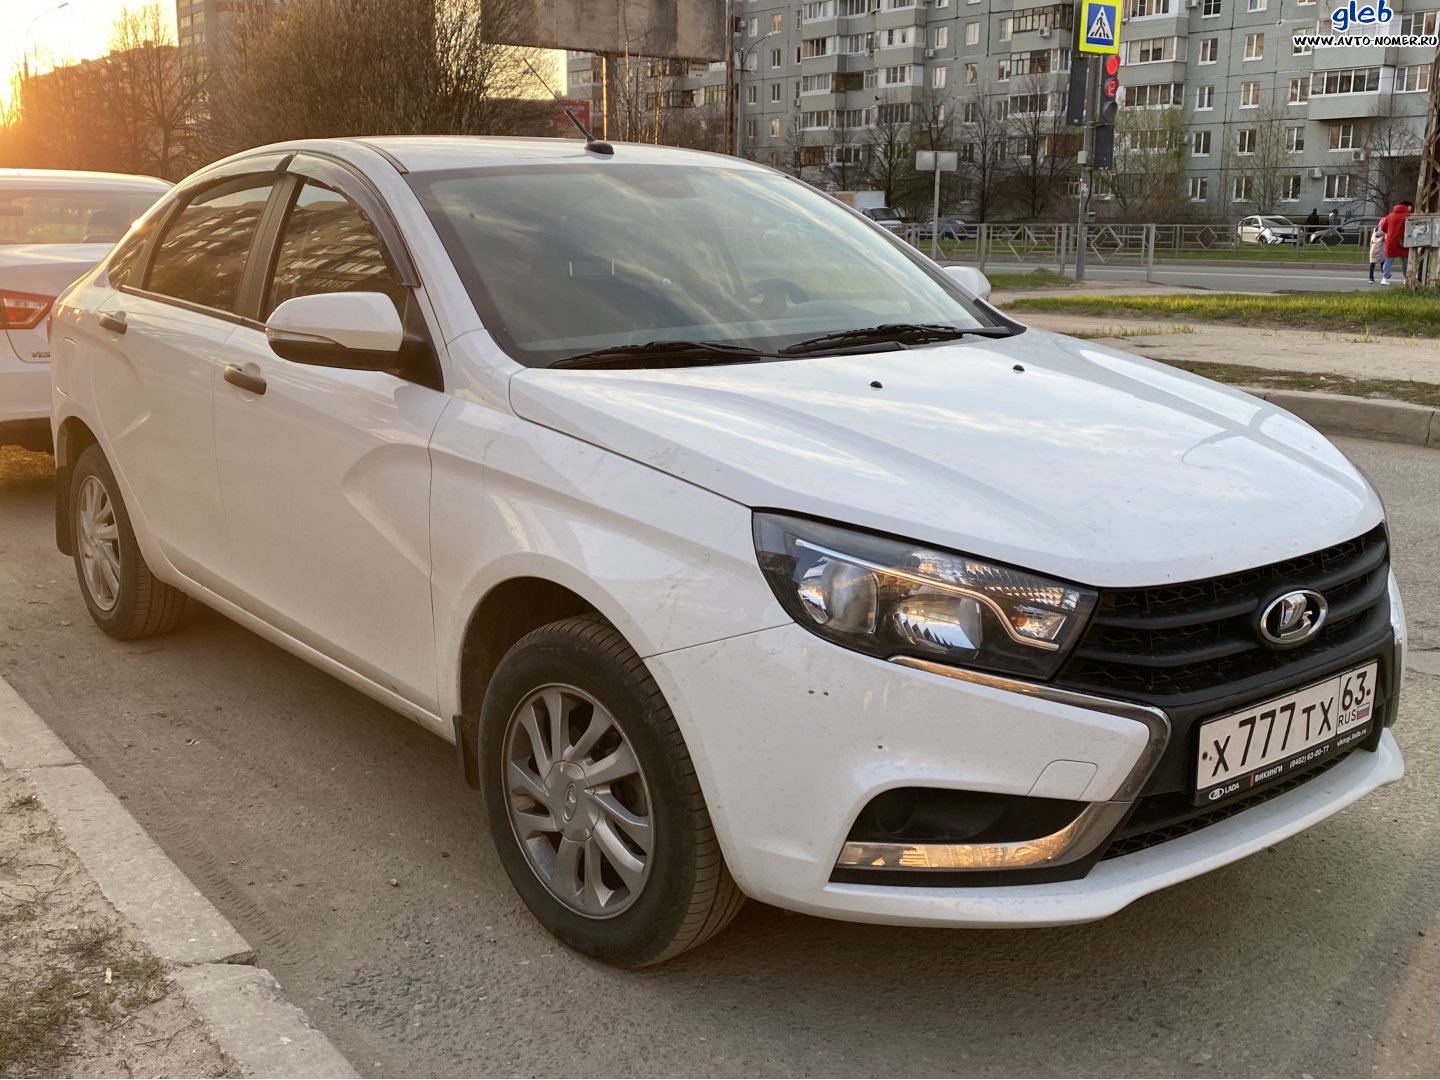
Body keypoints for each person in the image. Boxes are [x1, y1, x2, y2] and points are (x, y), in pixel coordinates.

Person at [1378, 200, 1413, 284]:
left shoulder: (1390, 215)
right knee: (1405, 261)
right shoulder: (1408, 216)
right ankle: (1406, 278)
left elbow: (1384, 228)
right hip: (1403, 241)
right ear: (1408, 206)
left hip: (1391, 241)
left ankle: (1385, 278)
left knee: (1389, 259)